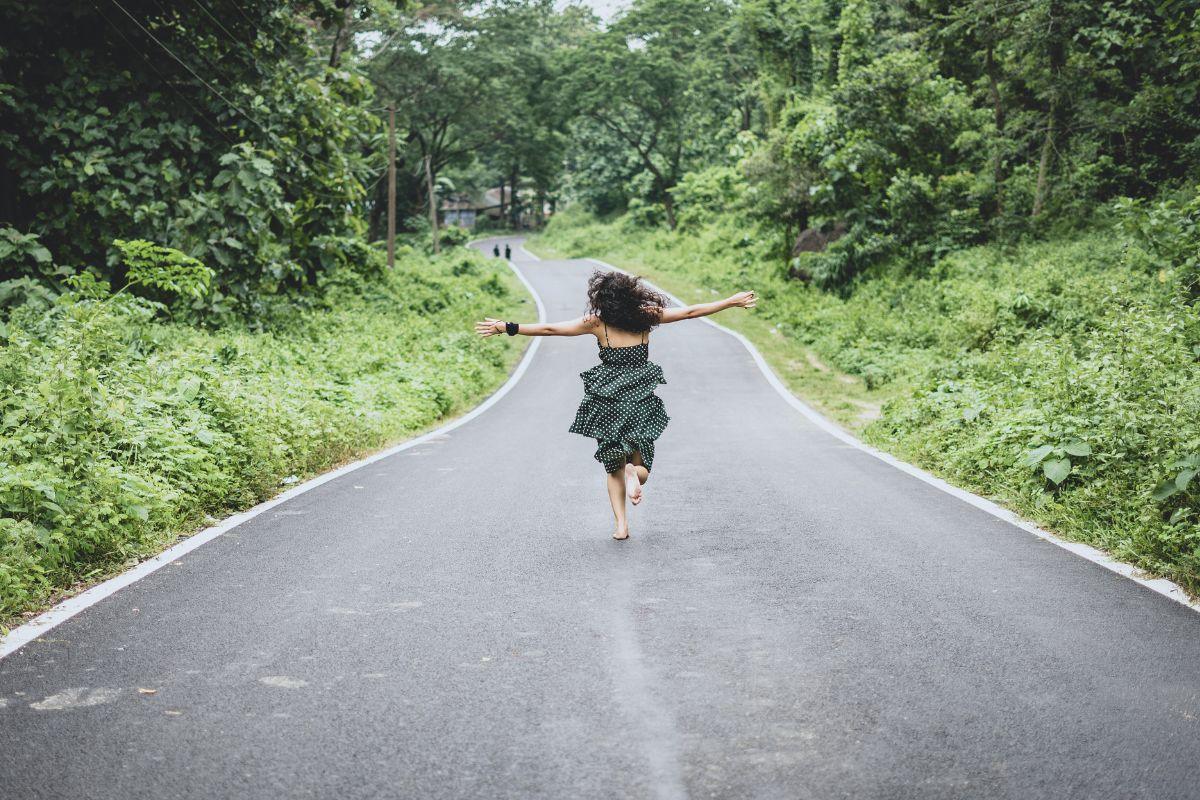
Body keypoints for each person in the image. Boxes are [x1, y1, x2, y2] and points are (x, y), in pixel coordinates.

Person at [476, 270, 756, 540]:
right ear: (633, 293)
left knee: (613, 468)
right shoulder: (646, 315)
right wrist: (731, 301)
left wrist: (507, 327)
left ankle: (621, 525)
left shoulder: (597, 322)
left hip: (607, 397)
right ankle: (635, 472)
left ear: (602, 298)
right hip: (640, 393)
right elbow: (691, 311)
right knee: (641, 461)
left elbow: (551, 329)